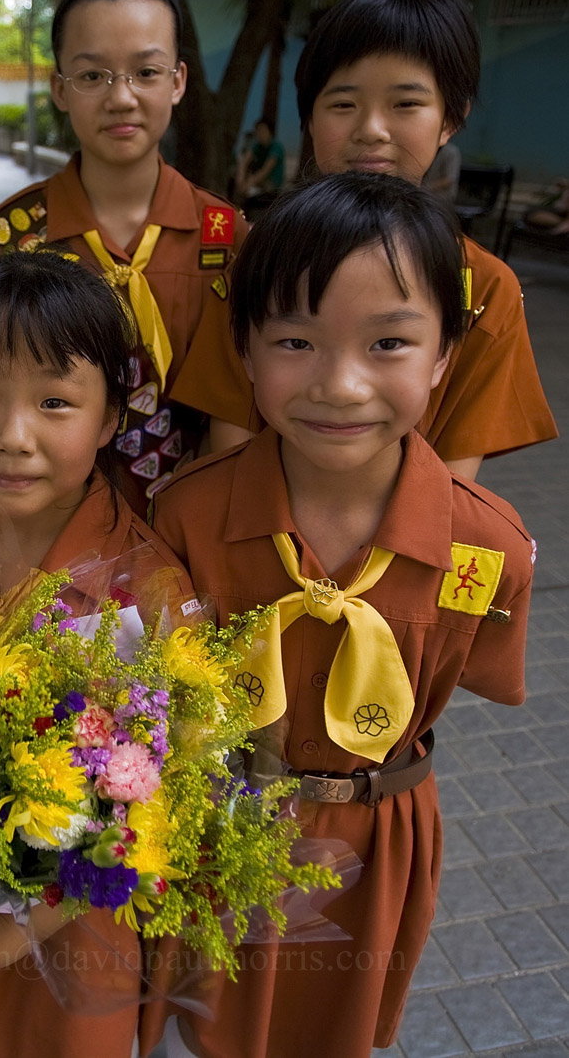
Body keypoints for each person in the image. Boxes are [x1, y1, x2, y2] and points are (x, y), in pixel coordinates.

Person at [143, 173, 532, 1058]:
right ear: (244, 350)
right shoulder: (186, 521)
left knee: (336, 1029)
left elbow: (477, 675)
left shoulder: (487, 550)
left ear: (443, 358)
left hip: (376, 839)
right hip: (221, 824)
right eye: (295, 339)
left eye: (389, 341)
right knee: (212, 1027)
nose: (341, 383)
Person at [0, 250, 195, 1058]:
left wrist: (22, 931)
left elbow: (170, 797)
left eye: (55, 401)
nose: (12, 437)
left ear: (113, 416)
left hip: (83, 927)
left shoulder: (146, 585)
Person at [174, 0, 556, 480]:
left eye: (405, 104)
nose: (371, 129)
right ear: (309, 118)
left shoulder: (486, 291)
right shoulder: (257, 264)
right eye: (343, 104)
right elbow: (228, 461)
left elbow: (452, 491)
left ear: (451, 118)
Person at [0, 0, 249, 518]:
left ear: (178, 82)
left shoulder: (226, 235)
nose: (121, 98)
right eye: (93, 76)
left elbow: (242, 405)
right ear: (59, 90)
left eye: (145, 72)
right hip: (52, 531)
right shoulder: (17, 237)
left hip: (193, 525)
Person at [233, 116, 285, 205]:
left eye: (263, 130)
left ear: (270, 132)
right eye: (258, 130)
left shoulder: (276, 147)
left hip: (271, 185)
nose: (260, 134)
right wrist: (240, 177)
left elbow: (265, 171)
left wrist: (249, 183)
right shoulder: (257, 146)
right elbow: (244, 161)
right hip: (257, 182)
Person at [421, 139, 461, 207]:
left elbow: (449, 179)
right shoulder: (426, 149)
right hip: (425, 196)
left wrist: (426, 188)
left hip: (440, 197)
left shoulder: (451, 152)